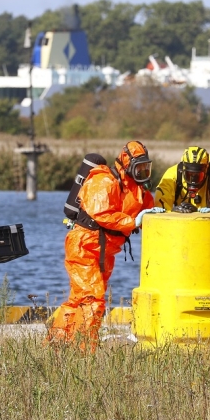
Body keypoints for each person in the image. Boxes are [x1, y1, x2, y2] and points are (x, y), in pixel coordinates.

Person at [47, 140, 159, 349]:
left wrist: (163, 216)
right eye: (139, 168)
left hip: (105, 251)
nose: (143, 172)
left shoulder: (140, 192)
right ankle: (83, 350)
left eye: (146, 168)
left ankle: (58, 345)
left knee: (78, 300)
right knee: (93, 299)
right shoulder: (105, 181)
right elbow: (101, 212)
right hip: (84, 245)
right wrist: (133, 221)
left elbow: (148, 214)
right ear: (126, 165)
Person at [154, 145, 210, 212]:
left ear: (206, 169)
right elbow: (162, 206)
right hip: (180, 222)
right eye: (189, 175)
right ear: (183, 169)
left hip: (209, 222)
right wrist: (174, 212)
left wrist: (198, 212)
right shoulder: (172, 175)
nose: (193, 180)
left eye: (198, 175)